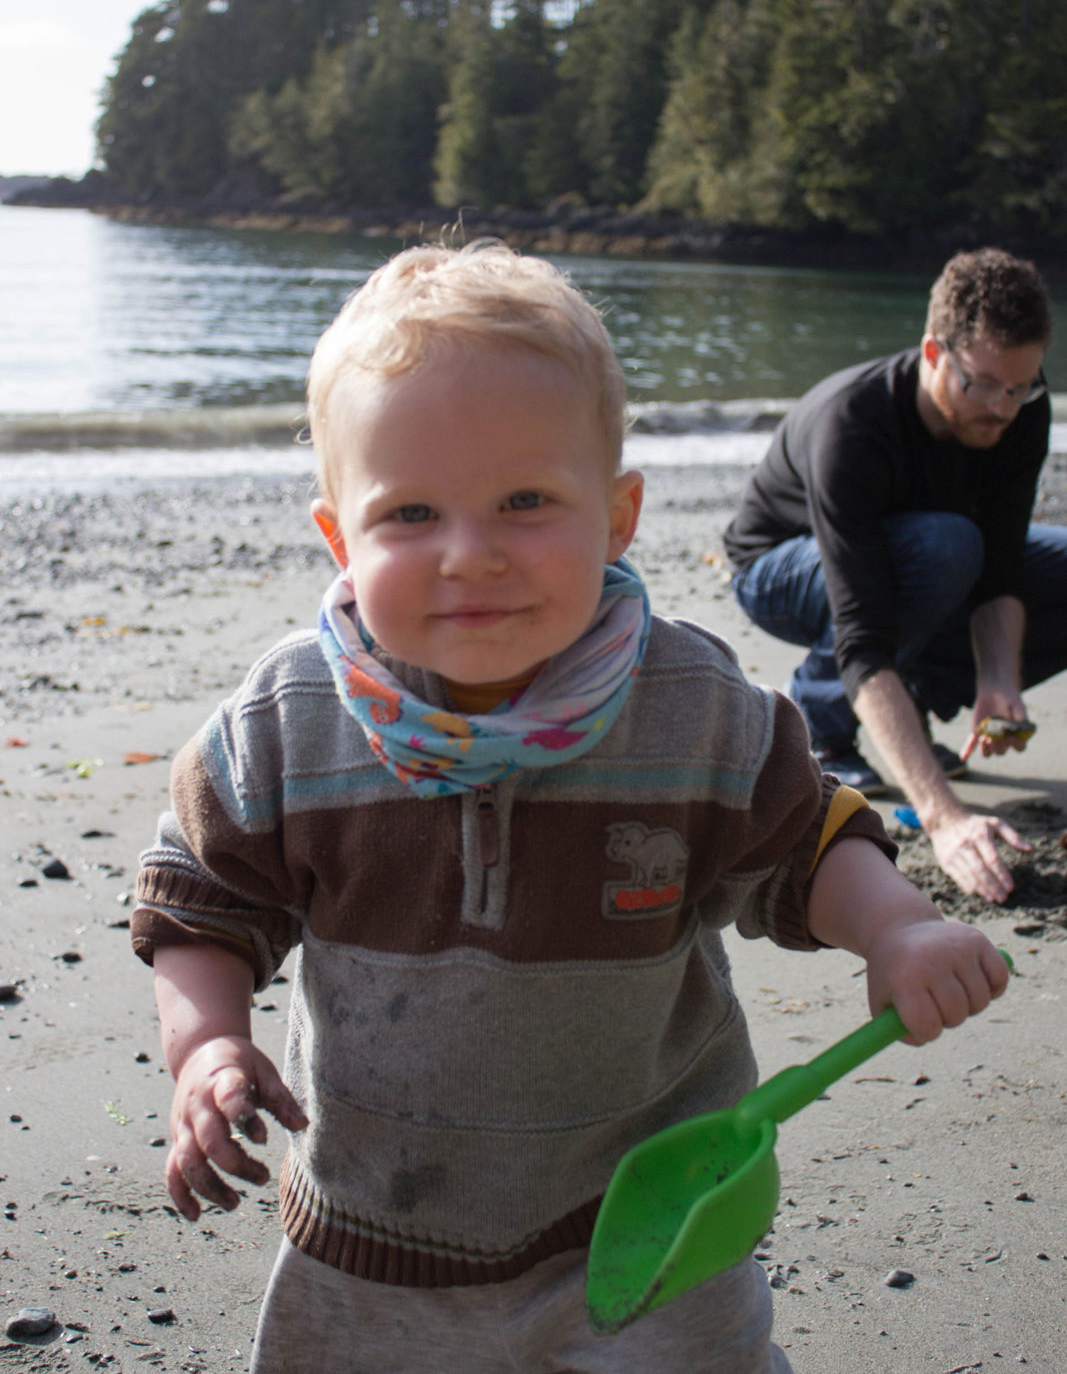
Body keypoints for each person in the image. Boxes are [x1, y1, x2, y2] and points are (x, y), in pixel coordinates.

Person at [132, 242, 1008, 1374]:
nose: (470, 554)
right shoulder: (291, 720)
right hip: (371, 1240)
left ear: (619, 514)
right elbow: (203, 896)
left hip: (649, 1226)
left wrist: (894, 925)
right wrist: (205, 1044)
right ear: (340, 538)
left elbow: (802, 839)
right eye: (409, 513)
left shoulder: (689, 707)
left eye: (525, 500)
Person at [724, 247, 1067, 906]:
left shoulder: (1018, 409)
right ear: (933, 354)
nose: (1000, 408)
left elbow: (1001, 570)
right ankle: (822, 725)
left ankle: (910, 704)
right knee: (944, 545)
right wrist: (944, 819)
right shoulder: (854, 422)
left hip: (930, 562)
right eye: (982, 385)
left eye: (1018, 387)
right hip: (777, 565)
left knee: (968, 550)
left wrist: (997, 678)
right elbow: (863, 632)